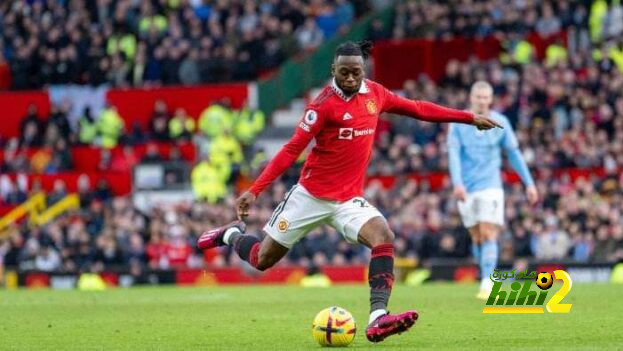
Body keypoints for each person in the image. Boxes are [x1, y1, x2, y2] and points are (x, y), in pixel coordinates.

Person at [197, 41, 501, 343]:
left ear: (364, 69)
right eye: (344, 73)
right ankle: (230, 235)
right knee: (262, 260)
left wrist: (467, 117)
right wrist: (255, 190)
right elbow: (291, 150)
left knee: (384, 236)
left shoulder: (376, 94)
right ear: (333, 71)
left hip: (348, 201)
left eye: (356, 72)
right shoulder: (322, 106)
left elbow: (419, 108)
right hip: (309, 197)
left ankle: (378, 317)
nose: (351, 78)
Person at [447, 81, 538, 300]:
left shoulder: (501, 122)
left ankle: (488, 282)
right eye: (478, 97)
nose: (482, 101)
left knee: (488, 231)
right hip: (467, 189)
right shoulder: (458, 123)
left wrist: (529, 183)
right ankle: (484, 276)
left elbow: (514, 154)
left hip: (491, 187)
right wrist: (457, 183)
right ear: (471, 97)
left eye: (486, 97)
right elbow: (454, 155)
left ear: (490, 99)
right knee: (477, 236)